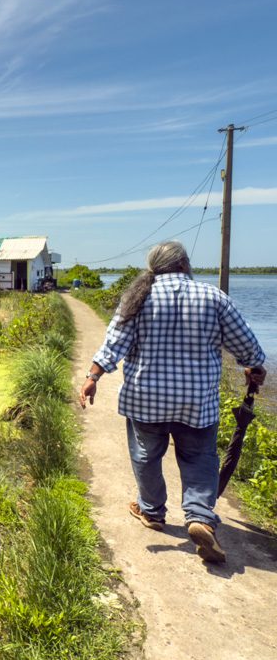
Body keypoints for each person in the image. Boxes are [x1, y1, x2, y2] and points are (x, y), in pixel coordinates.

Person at [79, 241, 266, 563]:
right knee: (199, 459)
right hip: (197, 401)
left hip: (145, 400)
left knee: (146, 456)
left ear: (154, 267)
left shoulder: (137, 298)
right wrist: (254, 366)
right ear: (184, 264)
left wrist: (92, 377)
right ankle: (199, 518)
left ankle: (152, 511)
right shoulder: (213, 297)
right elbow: (247, 346)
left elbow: (114, 345)